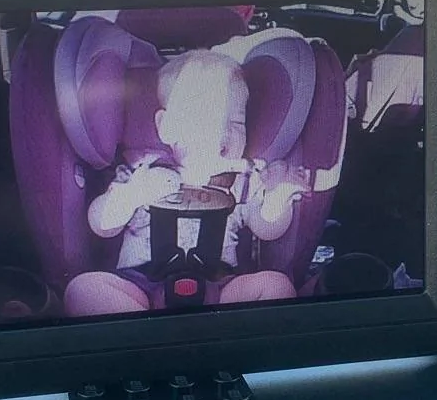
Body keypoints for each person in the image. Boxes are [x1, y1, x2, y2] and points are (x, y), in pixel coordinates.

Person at [64, 48, 311, 317]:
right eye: (205, 119)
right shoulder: (141, 171)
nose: (223, 132)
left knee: (275, 285)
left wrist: (278, 199)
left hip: (219, 287)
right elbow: (100, 224)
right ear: (166, 126)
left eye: (236, 122)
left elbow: (267, 229)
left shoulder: (243, 181)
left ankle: (222, 340)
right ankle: (145, 339)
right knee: (83, 289)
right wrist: (131, 196)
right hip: (140, 285)